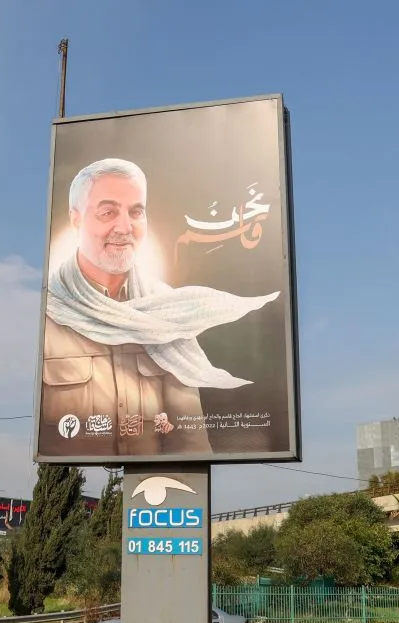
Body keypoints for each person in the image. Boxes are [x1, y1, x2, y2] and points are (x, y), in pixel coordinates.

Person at [39, 158, 280, 456]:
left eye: (136, 212)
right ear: (76, 219)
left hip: (159, 486)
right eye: (108, 212)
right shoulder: (49, 313)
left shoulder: (169, 312)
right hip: (76, 494)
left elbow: (189, 440)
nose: (124, 227)